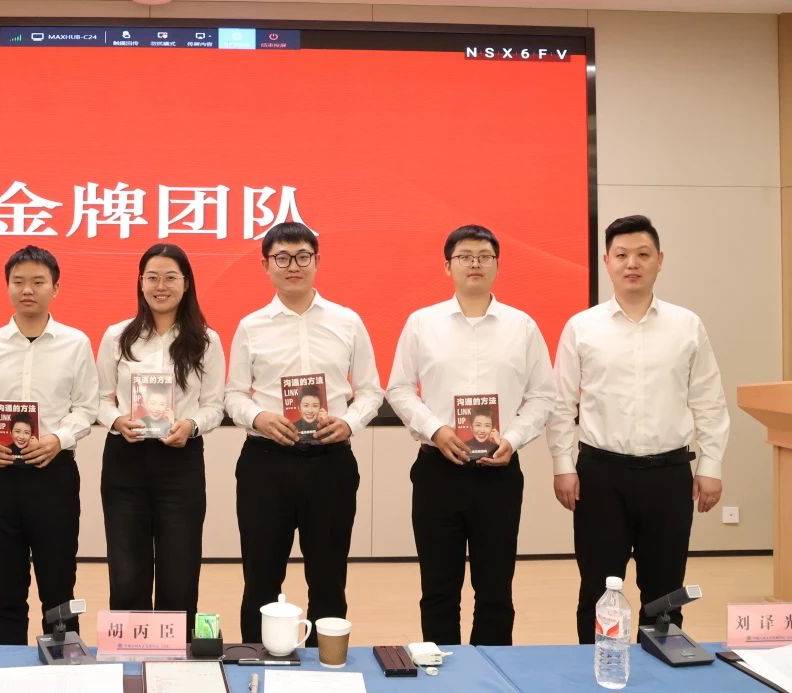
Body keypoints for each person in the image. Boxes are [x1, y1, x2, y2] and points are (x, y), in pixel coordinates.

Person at [548, 215, 729, 642]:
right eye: (622, 254)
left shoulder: (687, 325)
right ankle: (597, 667)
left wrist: (711, 465)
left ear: (659, 260)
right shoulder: (582, 326)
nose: (633, 263)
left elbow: (709, 399)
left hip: (668, 475)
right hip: (600, 476)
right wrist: (562, 464)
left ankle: (661, 669)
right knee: (597, 588)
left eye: (643, 254)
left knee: (665, 592)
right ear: (607, 261)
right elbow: (561, 404)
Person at [387, 224, 555, 646]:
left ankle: (492, 671)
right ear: (448, 266)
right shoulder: (422, 323)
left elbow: (543, 396)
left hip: (499, 472)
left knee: (495, 590)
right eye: (464, 256)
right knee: (438, 589)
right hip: (438, 470)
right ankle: (442, 670)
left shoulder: (522, 326)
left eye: (484, 256)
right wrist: (436, 429)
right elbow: (399, 389)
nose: (475, 263)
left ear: (497, 265)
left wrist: (513, 437)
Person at [225, 222, 384, 645]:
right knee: (261, 575)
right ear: (266, 265)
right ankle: (255, 658)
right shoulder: (251, 326)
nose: (292, 265)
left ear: (317, 261)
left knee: (328, 577)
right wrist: (259, 418)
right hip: (266, 463)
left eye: (302, 256)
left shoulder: (347, 321)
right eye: (282, 257)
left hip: (330, 462)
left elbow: (371, 391)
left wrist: (348, 422)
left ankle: (325, 665)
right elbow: (233, 394)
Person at [0, 245, 99, 645]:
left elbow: (87, 407)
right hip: (1, 474)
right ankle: (5, 663)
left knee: (59, 585)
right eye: (18, 281)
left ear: (55, 288)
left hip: (53, 474)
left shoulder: (75, 343)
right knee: (5, 584)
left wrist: (58, 439)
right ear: (7, 286)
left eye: (38, 282)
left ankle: (63, 667)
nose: (27, 290)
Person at [98, 243, 225, 625]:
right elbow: (99, 399)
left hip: (180, 460)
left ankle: (176, 656)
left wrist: (191, 425)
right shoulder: (117, 337)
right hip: (125, 459)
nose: (161, 286)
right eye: (152, 277)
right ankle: (131, 653)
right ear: (140, 283)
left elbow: (214, 405)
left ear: (186, 284)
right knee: (127, 573)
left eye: (170, 277)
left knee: (179, 573)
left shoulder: (205, 341)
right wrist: (117, 420)